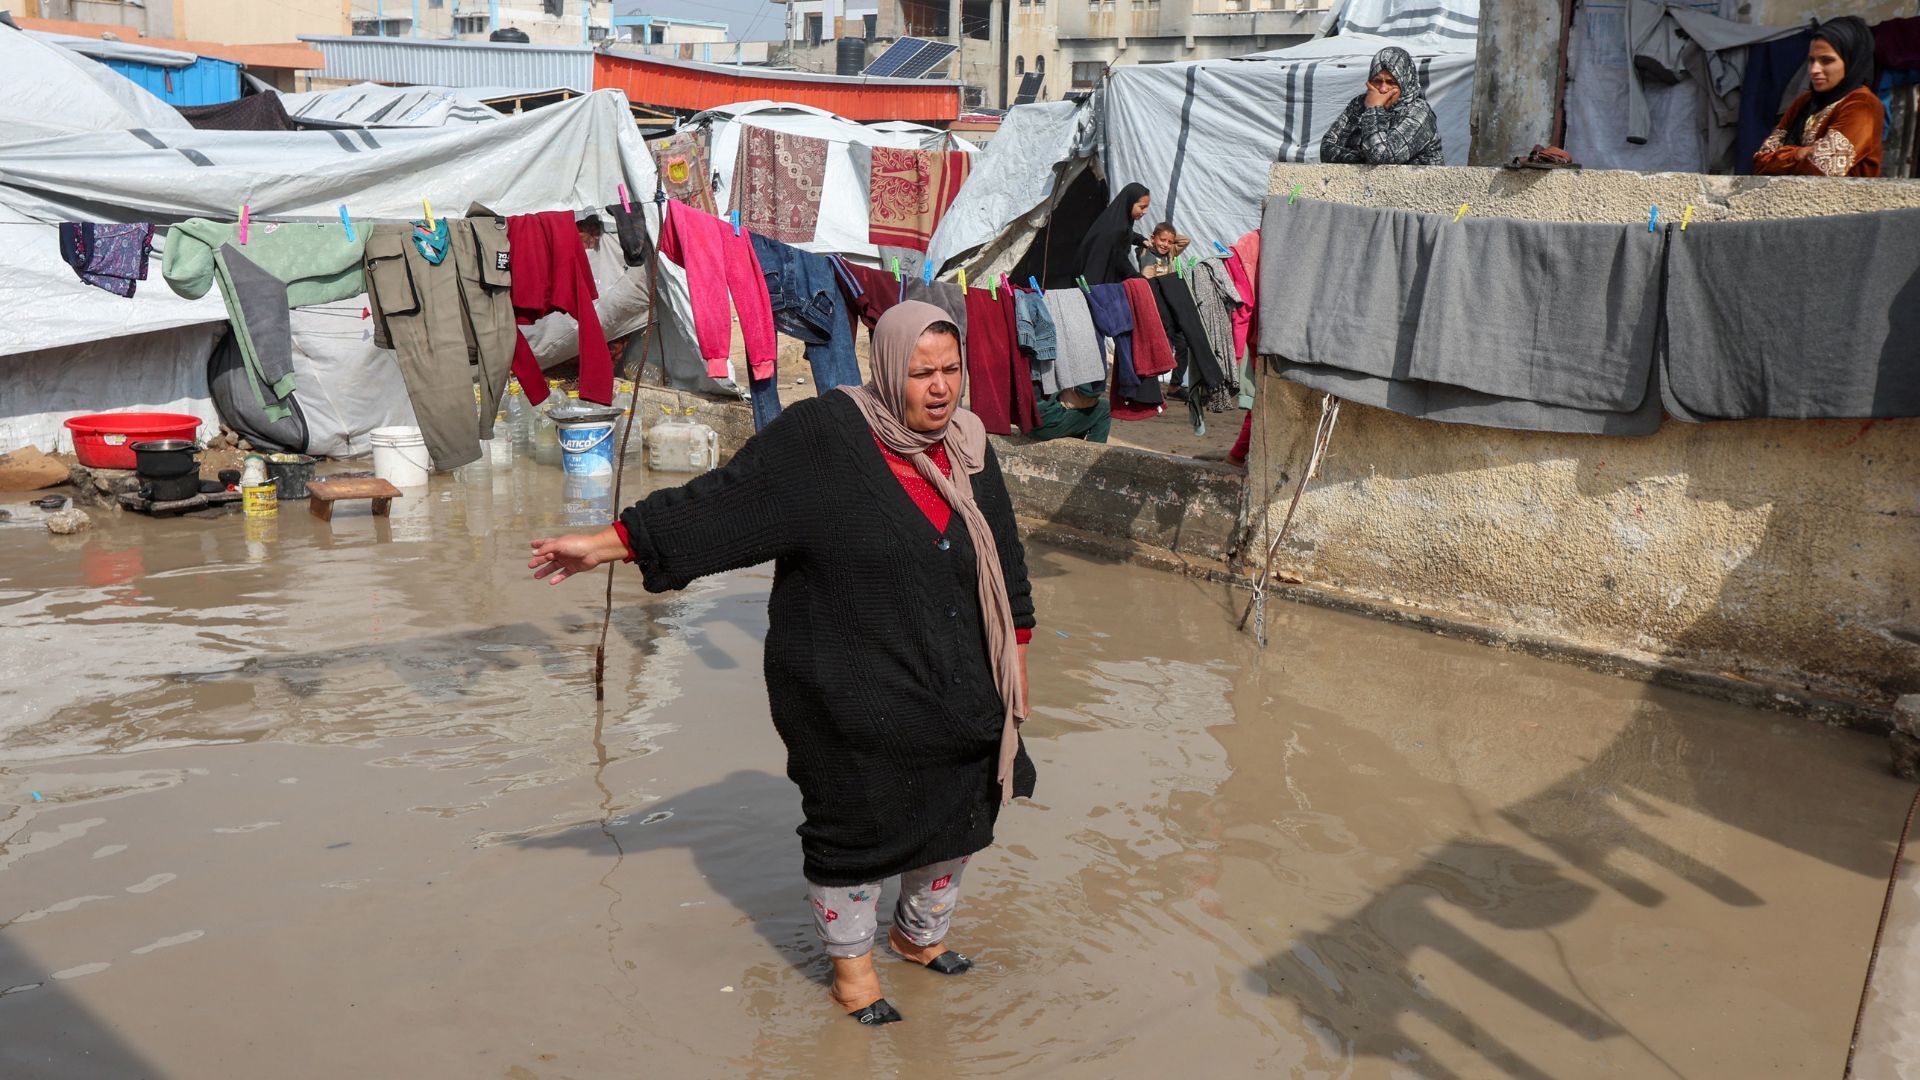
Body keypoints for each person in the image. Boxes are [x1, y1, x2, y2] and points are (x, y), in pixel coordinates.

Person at [527, 302, 1037, 1027]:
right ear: (888, 369)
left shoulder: (970, 447)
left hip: (956, 679)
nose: (939, 388)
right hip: (847, 683)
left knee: (960, 810)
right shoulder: (824, 439)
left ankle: (918, 938)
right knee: (857, 825)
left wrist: (1017, 666)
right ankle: (853, 974)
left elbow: (1007, 568)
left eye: (950, 370)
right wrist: (607, 543)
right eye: (921, 372)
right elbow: (721, 508)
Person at [1753, 17, 1883, 177]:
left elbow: (1821, 168)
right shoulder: (1805, 101)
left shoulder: (1862, 105)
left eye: (1826, 61)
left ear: (1852, 61)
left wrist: (1783, 157)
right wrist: (1800, 154)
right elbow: (1760, 162)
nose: (1814, 69)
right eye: (1811, 60)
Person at [1317, 46, 1445, 166]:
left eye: (1391, 82)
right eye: (1377, 81)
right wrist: (1360, 158)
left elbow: (1381, 157)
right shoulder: (1359, 104)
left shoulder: (1419, 111)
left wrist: (1374, 109)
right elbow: (1326, 148)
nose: (1383, 89)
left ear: (1405, 83)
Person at [1078, 182, 1153, 286]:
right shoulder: (1117, 228)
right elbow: (1121, 261)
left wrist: (1141, 240)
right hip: (1100, 280)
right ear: (1129, 203)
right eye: (1142, 207)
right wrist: (1139, 278)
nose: (1145, 211)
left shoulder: (1114, 220)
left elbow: (1127, 234)